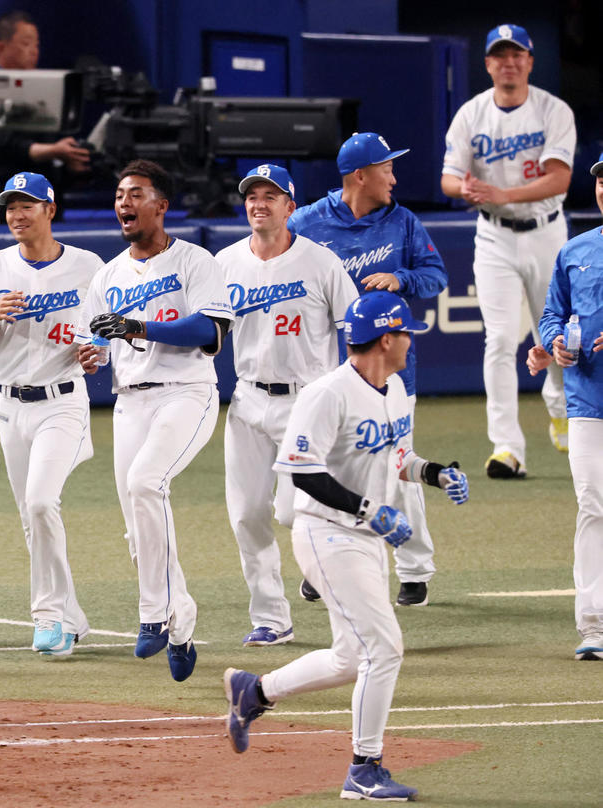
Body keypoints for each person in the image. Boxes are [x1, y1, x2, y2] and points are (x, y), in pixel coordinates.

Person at [224, 291, 470, 802]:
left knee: (348, 657)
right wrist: (368, 509)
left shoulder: (395, 387)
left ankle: (255, 691)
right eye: (405, 333)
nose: (410, 342)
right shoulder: (327, 394)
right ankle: (364, 767)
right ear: (385, 339)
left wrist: (436, 473)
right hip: (326, 533)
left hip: (362, 537)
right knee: (384, 648)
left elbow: (398, 455)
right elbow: (302, 471)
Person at [81, 159, 234, 680]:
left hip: (187, 394)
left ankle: (151, 616)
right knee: (135, 530)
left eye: (137, 194)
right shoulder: (107, 275)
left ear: (161, 206)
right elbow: (101, 345)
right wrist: (93, 353)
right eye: (120, 194)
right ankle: (181, 618)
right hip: (131, 402)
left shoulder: (195, 261)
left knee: (148, 483)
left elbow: (209, 331)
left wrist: (136, 325)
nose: (124, 202)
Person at [290, 132, 449, 608]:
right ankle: (325, 564)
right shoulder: (307, 222)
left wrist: (402, 278)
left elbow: (436, 277)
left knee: (395, 466)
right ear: (360, 175)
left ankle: (415, 567)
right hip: (327, 370)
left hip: (390, 374)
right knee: (329, 468)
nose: (394, 177)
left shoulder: (402, 222)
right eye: (387, 168)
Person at [0, 172, 104, 656]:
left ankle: (48, 617)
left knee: (41, 503)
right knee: (31, 515)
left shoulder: (88, 266)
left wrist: (96, 353)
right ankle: (73, 615)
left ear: (50, 210)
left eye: (28, 206)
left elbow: (103, 336)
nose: (17, 215)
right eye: (11, 207)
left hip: (62, 400)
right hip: (9, 405)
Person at [217, 164, 358, 647]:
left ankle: (327, 569)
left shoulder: (321, 263)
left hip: (308, 401)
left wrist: (350, 395)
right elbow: (208, 331)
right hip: (248, 398)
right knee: (247, 513)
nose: (259, 203)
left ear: (290, 207)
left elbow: (355, 328)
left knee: (293, 513)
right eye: (252, 195)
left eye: (271, 196)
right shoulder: (226, 263)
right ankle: (271, 618)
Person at [441, 23, 575, 479]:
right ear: (488, 64)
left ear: (530, 61)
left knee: (553, 332)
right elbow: (447, 178)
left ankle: (558, 404)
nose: (509, 62)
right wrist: (467, 188)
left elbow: (560, 180)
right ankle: (506, 447)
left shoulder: (553, 111)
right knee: (498, 339)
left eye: (517, 53)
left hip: (547, 232)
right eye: (500, 55)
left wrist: (500, 193)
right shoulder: (471, 114)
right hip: (494, 236)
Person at [527, 152, 603, 662]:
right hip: (587, 400)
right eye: (602, 182)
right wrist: (552, 342)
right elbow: (553, 312)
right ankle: (594, 624)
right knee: (594, 505)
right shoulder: (575, 251)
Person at [0, 10, 90, 223]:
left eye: (36, 44)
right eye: (26, 44)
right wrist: (54, 151)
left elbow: (53, 144)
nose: (34, 51)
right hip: (1, 199)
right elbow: (4, 144)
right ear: (1, 47)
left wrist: (70, 158)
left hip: (45, 198)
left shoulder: (46, 92)